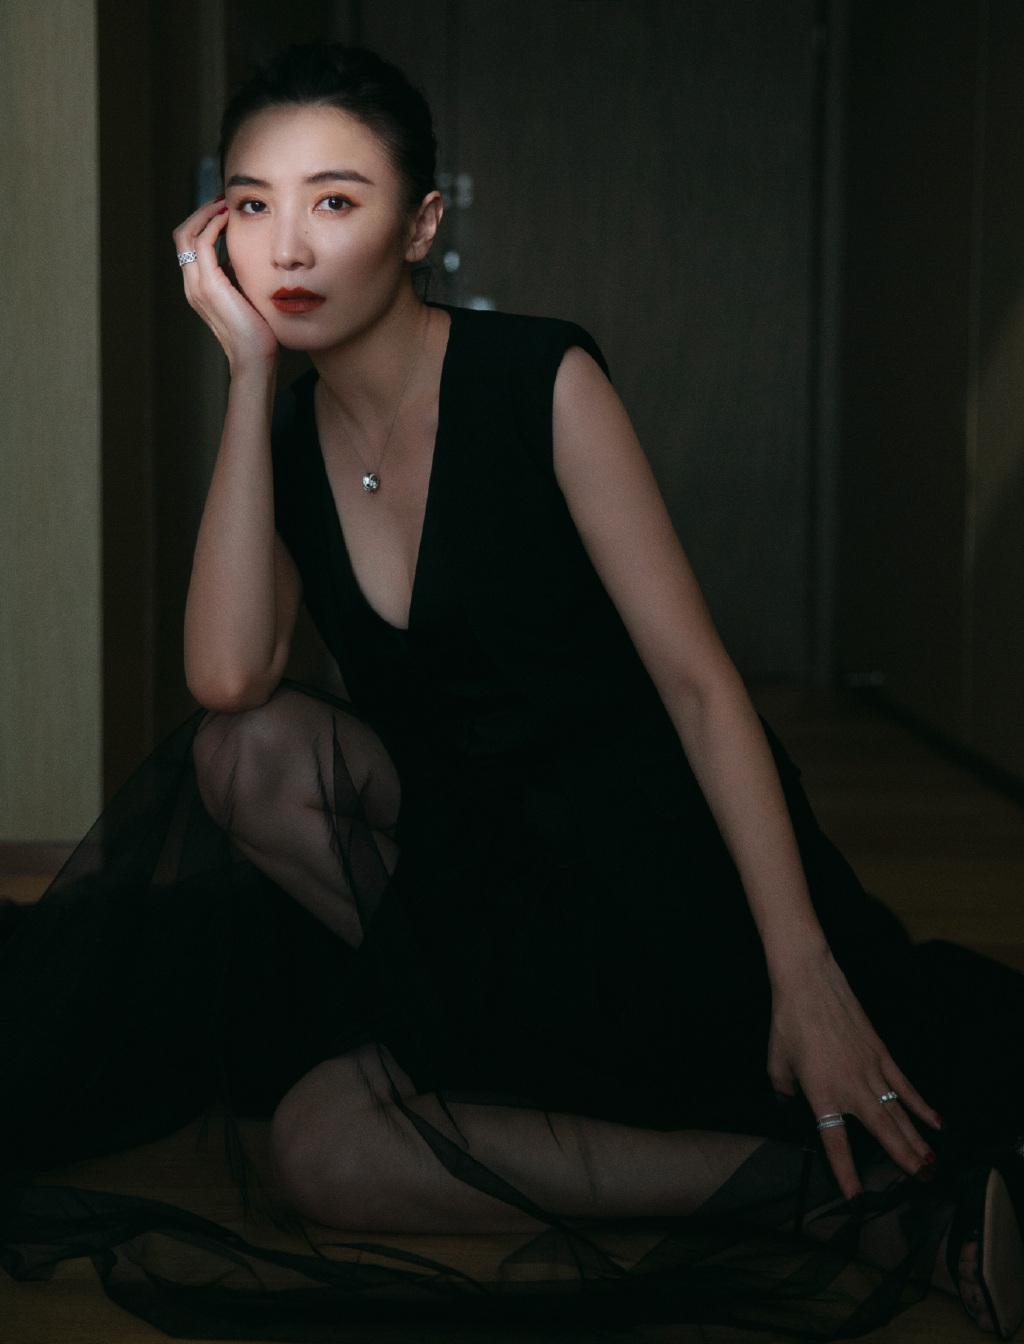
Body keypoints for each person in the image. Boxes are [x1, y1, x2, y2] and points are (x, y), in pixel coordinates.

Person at [2, 37, 1023, 1343]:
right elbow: (229, 675)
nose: (289, 246)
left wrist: (804, 968)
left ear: (421, 225)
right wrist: (248, 378)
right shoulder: (288, 432)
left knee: (345, 1099)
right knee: (301, 1064)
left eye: (336, 200)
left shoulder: (541, 379)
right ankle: (826, 1201)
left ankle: (845, 1170)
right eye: (253, 205)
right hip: (483, 890)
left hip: (660, 879)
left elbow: (701, 689)